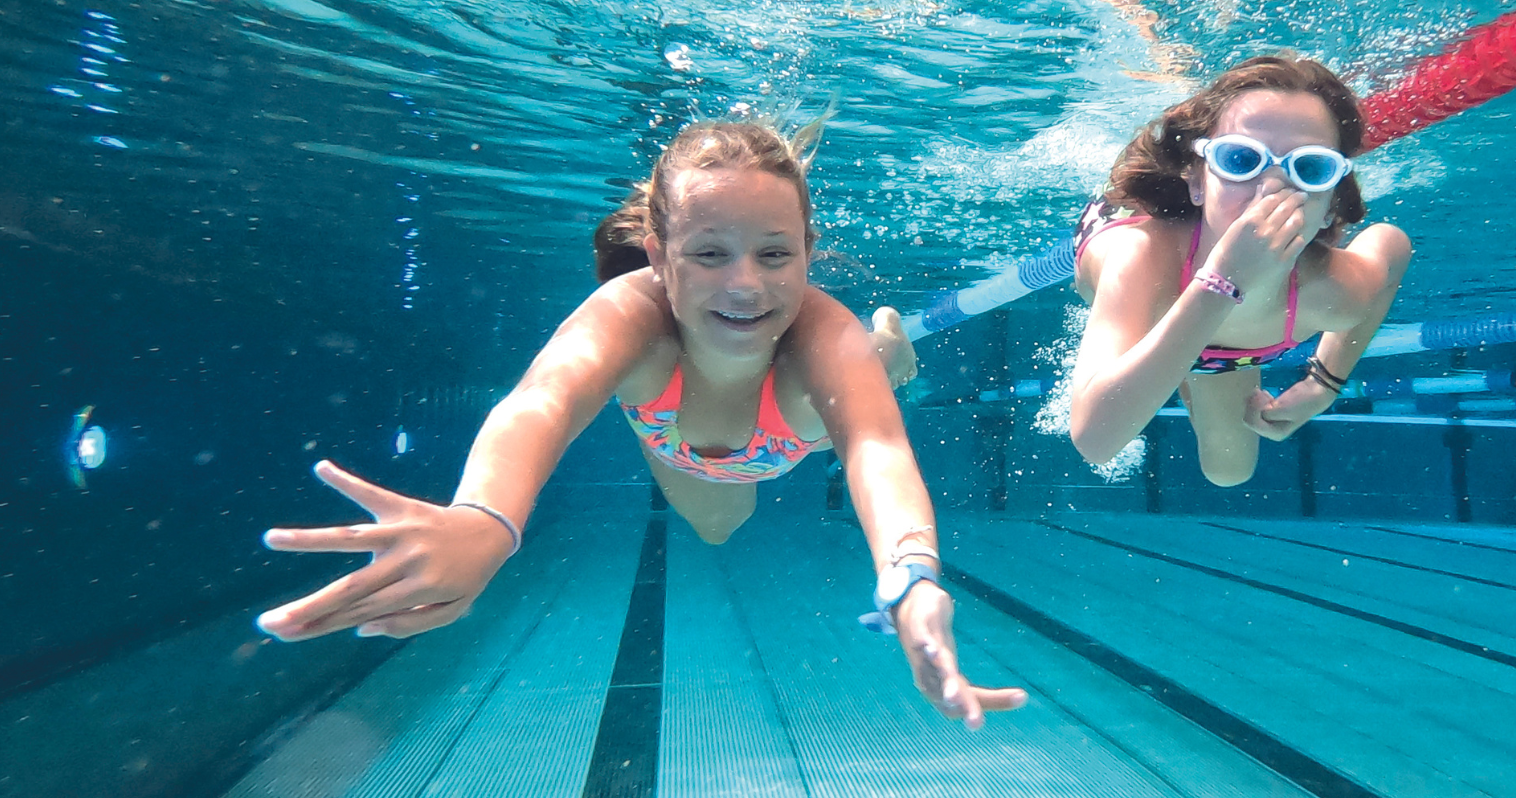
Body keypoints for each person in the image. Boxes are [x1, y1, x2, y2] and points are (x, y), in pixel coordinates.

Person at [257, 118, 1024, 729]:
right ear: (657, 254)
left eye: (774, 254)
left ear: (808, 252)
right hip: (680, 451)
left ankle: (887, 356)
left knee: (855, 380)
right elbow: (542, 403)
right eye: (710, 253)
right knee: (719, 529)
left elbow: (876, 448)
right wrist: (484, 519)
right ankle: (873, 363)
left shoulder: (819, 332)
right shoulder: (631, 316)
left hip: (795, 430)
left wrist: (912, 572)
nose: (746, 283)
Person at [1069, 53, 1411, 484]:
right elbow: (1094, 441)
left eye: (1309, 168)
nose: (1269, 189)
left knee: (1228, 472)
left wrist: (1324, 384)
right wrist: (1223, 280)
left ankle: (1185, 371)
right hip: (1133, 238)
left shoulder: (1330, 291)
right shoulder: (1138, 257)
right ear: (1196, 180)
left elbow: (1393, 246)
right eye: (1240, 160)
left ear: (1330, 207)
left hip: (1228, 348)